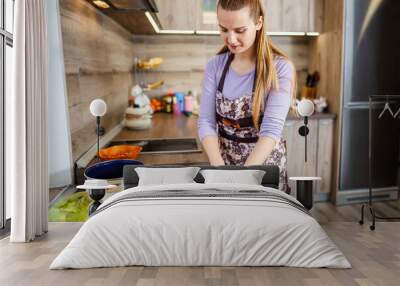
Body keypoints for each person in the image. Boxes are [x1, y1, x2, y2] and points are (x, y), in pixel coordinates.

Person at [197, 0, 296, 193]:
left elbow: (271, 130)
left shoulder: (279, 68)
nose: (231, 39)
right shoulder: (215, 66)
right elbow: (206, 122)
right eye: (224, 29)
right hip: (224, 164)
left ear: (259, 23)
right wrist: (219, 170)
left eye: (240, 30)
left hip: (263, 168)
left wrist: (243, 178)